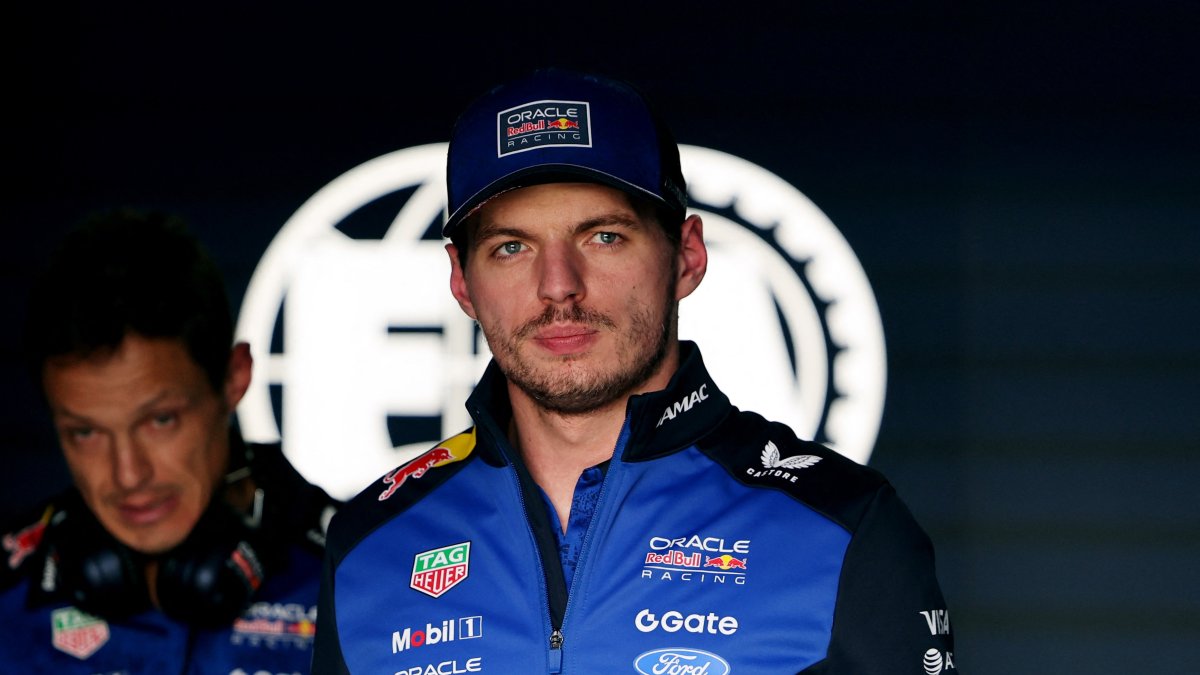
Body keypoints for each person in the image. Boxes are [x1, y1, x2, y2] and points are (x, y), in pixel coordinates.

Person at [313, 68, 958, 674]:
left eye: (604, 238)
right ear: (461, 280)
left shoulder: (846, 529)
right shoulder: (371, 548)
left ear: (687, 256)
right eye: (512, 247)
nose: (558, 288)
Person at [0, 210, 338, 673]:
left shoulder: (356, 571)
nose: (128, 473)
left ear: (234, 378)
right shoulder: (7, 589)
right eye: (86, 432)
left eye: (160, 420)